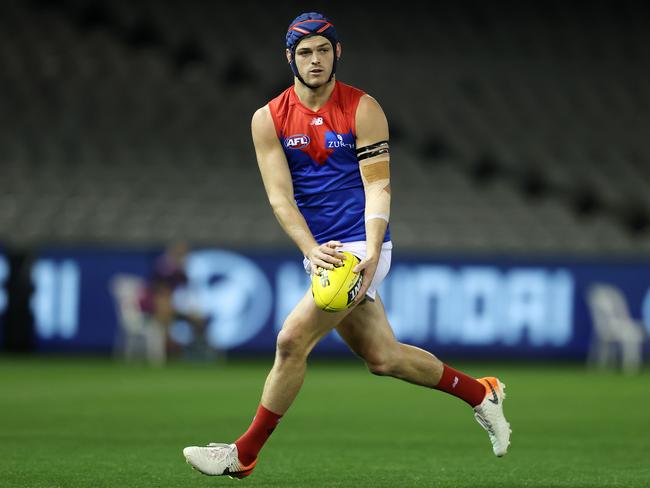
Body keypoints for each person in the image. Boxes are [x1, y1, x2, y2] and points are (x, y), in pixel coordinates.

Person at [183, 12, 511, 478]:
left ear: (337, 53)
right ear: (289, 59)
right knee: (384, 357)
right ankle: (483, 394)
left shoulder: (362, 108)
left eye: (322, 50)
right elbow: (280, 197)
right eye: (304, 53)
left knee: (291, 340)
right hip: (322, 250)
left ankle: (244, 453)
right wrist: (309, 248)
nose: (314, 60)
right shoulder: (268, 119)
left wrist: (373, 250)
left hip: (362, 243)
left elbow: (379, 187)